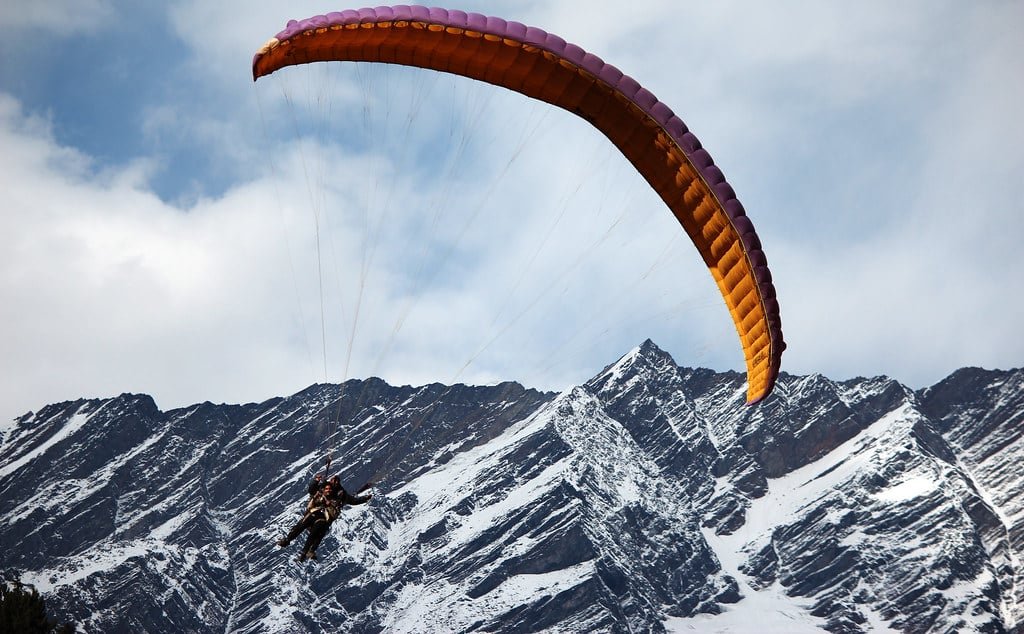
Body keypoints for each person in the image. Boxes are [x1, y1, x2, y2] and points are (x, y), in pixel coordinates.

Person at [277, 477, 372, 561]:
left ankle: (307, 551)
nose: (329, 489)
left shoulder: (341, 496)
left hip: (325, 517)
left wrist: (364, 499)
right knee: (302, 525)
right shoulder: (321, 491)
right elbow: (311, 489)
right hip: (315, 512)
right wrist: (315, 481)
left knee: (317, 532)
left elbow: (353, 501)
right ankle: (288, 540)